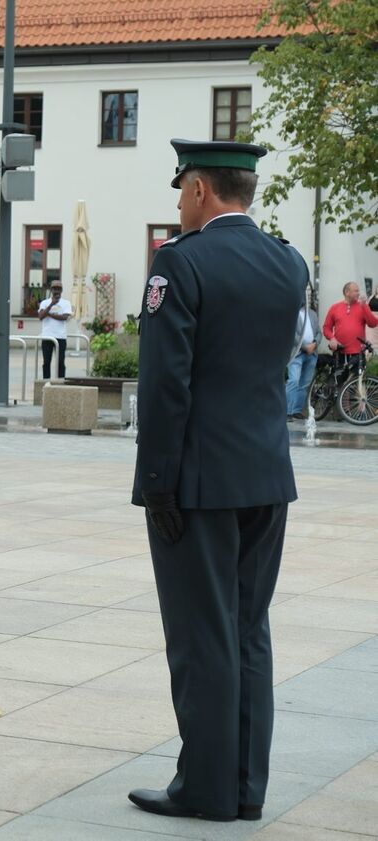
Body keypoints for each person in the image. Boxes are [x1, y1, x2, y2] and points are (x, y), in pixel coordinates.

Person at [129, 139, 306, 823]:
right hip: (267, 473)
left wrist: (157, 484)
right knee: (248, 628)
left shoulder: (181, 261)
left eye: (181, 191)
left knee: (202, 631)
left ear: (201, 188)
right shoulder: (287, 261)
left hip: (198, 481)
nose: (177, 204)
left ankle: (202, 788)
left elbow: (165, 384)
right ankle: (244, 786)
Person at [285, 288, 320, 421]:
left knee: (304, 384)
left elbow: (319, 332)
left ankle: (296, 411)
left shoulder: (312, 314)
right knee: (293, 380)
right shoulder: (291, 314)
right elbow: (291, 333)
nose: (305, 299)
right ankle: (287, 411)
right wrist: (305, 346)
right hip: (297, 353)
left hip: (312, 353)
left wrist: (315, 343)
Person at [322, 281, 377, 359]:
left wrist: (364, 305)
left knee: (355, 372)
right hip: (339, 351)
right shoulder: (335, 307)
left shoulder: (363, 306)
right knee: (339, 371)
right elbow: (326, 328)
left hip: (358, 353)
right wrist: (332, 338)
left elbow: (373, 324)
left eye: (358, 291)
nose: (359, 293)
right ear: (347, 292)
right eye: (356, 291)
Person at [38, 279, 72, 378]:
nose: (56, 291)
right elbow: (40, 317)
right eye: (54, 288)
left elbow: (64, 317)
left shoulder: (66, 303)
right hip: (47, 336)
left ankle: (61, 382)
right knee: (46, 362)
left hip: (60, 336)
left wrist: (48, 314)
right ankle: (46, 382)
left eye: (59, 288)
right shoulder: (45, 303)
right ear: (51, 290)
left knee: (61, 362)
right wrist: (51, 304)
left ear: (62, 290)